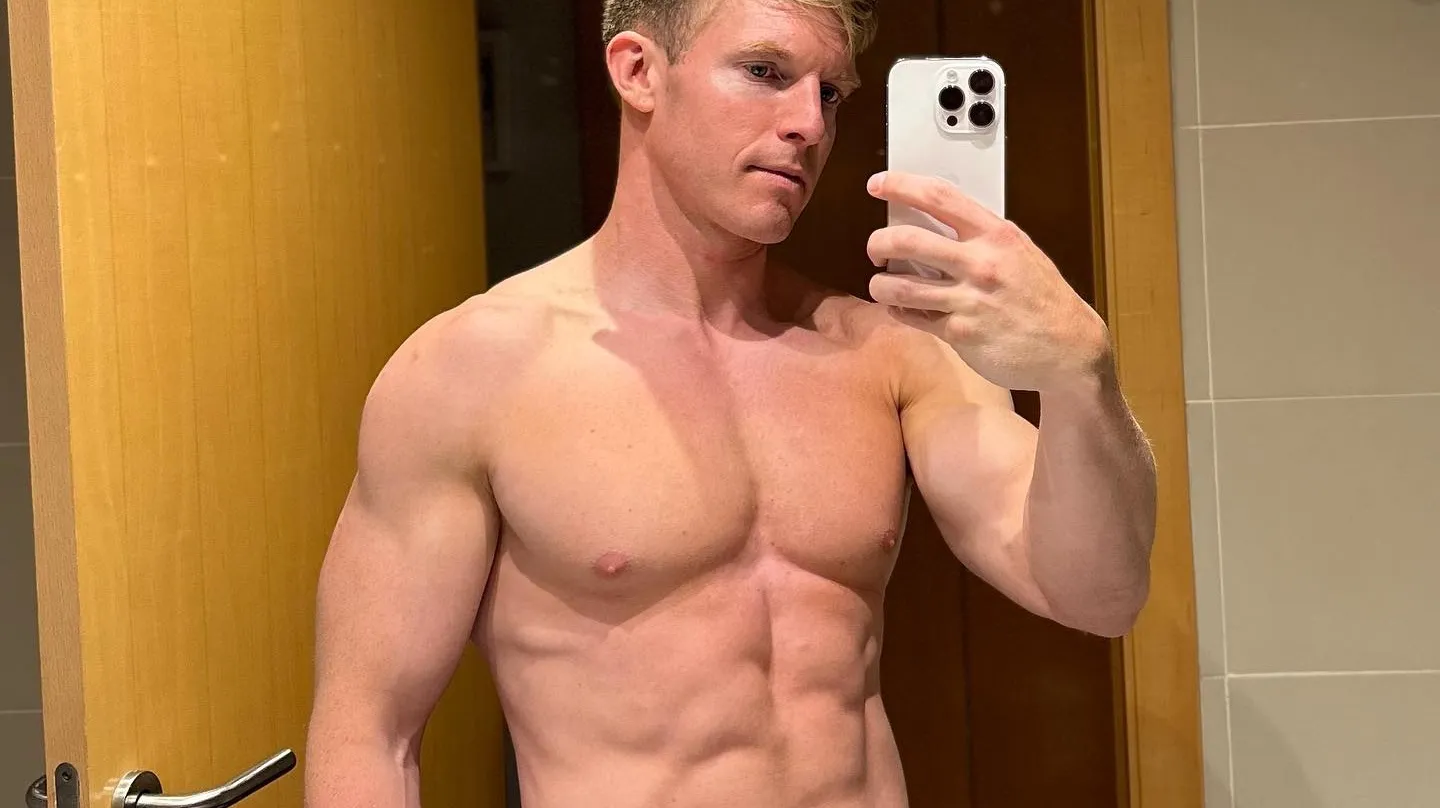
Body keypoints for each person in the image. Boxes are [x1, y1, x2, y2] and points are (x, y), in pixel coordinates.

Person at [303, 0, 1158, 805]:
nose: (809, 124)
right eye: (764, 72)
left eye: (830, 92)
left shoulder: (892, 352)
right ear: (638, 71)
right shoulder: (473, 370)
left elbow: (1100, 595)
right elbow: (369, 734)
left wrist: (1081, 374)